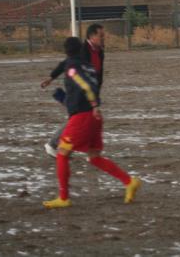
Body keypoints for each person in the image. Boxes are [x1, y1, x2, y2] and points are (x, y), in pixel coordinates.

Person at [43, 37, 140, 209]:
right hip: (95, 118)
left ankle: (64, 198)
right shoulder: (87, 66)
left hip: (83, 117)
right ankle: (129, 181)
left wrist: (94, 104)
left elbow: (85, 86)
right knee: (94, 157)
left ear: (66, 51)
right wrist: (51, 78)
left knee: (62, 153)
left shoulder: (72, 68)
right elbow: (69, 70)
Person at [41, 24, 105, 157]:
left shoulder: (100, 51)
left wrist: (96, 91)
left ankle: (77, 149)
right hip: (79, 92)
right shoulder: (83, 50)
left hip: (90, 92)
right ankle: (54, 145)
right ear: (92, 36)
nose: (103, 38)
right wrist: (51, 77)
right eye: (101, 36)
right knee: (78, 119)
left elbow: (98, 73)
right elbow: (66, 63)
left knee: (84, 120)